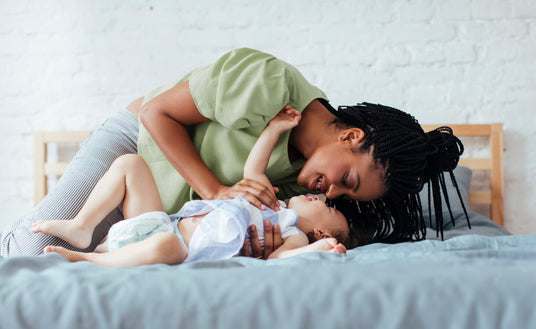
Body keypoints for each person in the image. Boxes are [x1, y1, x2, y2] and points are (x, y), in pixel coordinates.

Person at [1, 47, 464, 257]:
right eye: (348, 179)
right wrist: (216, 189)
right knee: (35, 248)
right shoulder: (270, 84)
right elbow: (159, 113)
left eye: (343, 197)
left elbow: (283, 229)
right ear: (352, 137)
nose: (333, 192)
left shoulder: (304, 191)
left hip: (160, 217)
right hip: (137, 146)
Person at [30, 107, 349, 267]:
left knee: (167, 247)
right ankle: (83, 226)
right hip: (156, 223)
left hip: (170, 248)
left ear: (321, 232)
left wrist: (317, 250)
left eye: (325, 206)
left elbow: (281, 263)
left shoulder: (292, 235)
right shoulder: (270, 200)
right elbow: (254, 167)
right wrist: (275, 128)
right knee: (131, 165)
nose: (321, 195)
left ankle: (90, 261)